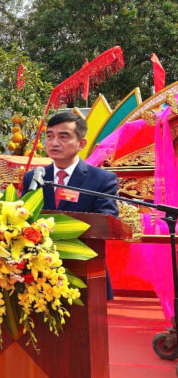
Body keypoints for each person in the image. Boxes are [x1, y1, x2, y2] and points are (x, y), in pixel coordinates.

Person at [22, 111, 119, 298]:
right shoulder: (34, 177)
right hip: (37, 271)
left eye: (63, 136)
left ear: (81, 143)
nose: (54, 142)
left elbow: (109, 220)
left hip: (84, 270)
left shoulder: (101, 179)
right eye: (49, 136)